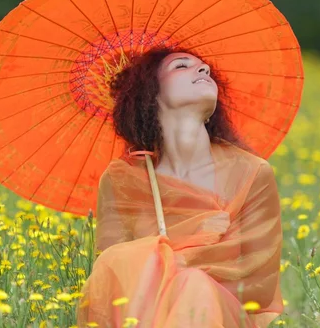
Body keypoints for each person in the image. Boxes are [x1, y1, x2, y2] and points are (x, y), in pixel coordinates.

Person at [75, 47, 284, 327]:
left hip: (222, 314)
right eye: (181, 66)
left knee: (194, 285)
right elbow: (112, 279)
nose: (203, 70)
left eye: (205, 67)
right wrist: (167, 268)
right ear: (151, 93)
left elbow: (260, 286)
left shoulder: (252, 172)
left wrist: (176, 269)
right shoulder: (121, 180)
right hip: (143, 316)